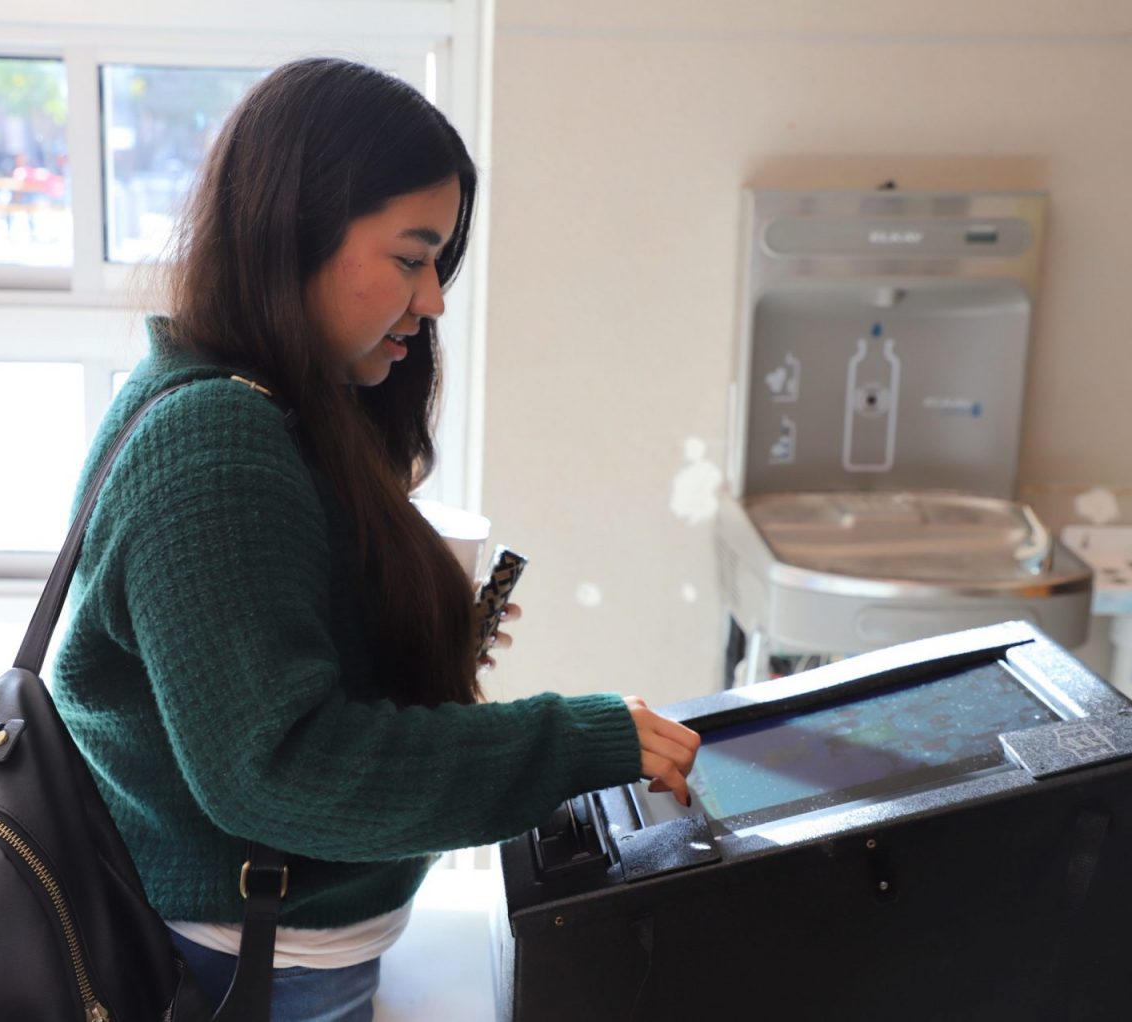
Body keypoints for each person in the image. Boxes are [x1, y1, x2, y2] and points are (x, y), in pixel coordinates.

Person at [51, 57, 700, 1021]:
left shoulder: (261, 406)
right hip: (245, 968)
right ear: (296, 230)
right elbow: (279, 769)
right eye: (410, 258)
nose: (432, 299)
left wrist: (418, 636)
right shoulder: (214, 444)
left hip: (274, 953)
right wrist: (576, 741)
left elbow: (263, 670)